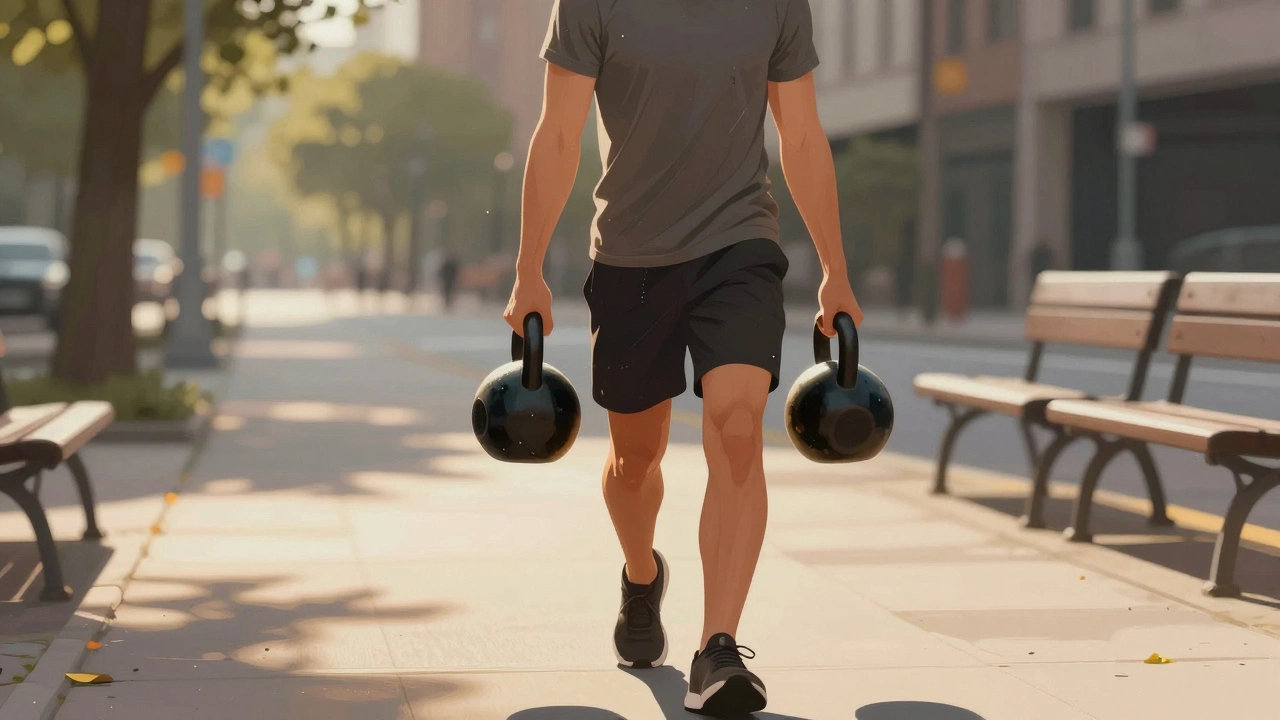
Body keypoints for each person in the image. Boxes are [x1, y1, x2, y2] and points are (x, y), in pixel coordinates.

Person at [504, 2, 863, 715]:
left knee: (737, 426)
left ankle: (717, 649)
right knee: (636, 461)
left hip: (740, 245)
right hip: (631, 259)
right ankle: (642, 575)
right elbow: (559, 134)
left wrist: (835, 271)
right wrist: (528, 270)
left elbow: (800, 134)